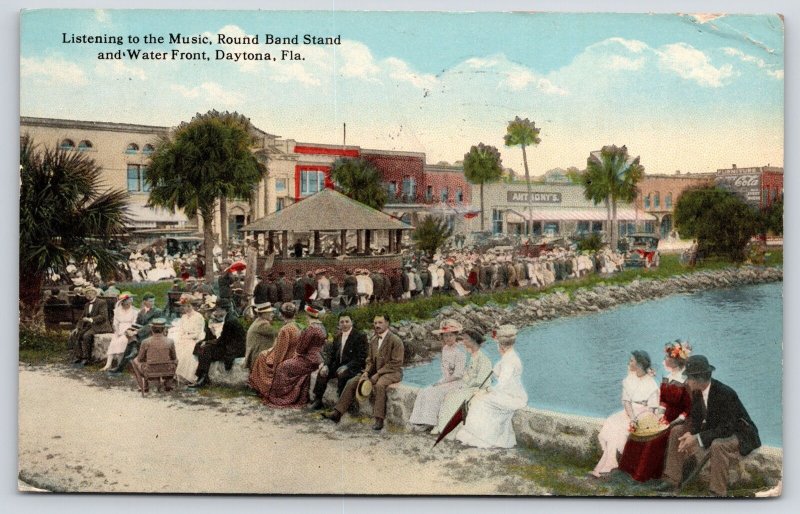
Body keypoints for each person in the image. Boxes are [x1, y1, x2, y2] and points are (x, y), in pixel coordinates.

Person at [653, 355, 761, 497]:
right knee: (677, 430)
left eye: (689, 378)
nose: (687, 381)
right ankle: (672, 480)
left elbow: (727, 428)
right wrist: (690, 433)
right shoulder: (697, 392)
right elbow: (697, 419)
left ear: (699, 379)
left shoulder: (725, 393)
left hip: (741, 433)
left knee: (718, 445)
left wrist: (697, 438)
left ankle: (717, 492)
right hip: (717, 429)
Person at [619, 340, 693, 482]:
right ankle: (627, 471)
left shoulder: (685, 380)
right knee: (640, 430)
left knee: (654, 439)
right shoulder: (668, 377)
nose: (664, 360)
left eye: (667, 358)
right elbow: (663, 400)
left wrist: (677, 420)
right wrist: (658, 415)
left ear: (675, 360)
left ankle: (642, 476)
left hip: (679, 420)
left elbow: (689, 407)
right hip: (664, 417)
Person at [324, 314, 404, 431]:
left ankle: (379, 419)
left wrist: (378, 373)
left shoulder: (396, 340)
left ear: (387, 323)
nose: (377, 325)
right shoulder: (374, 340)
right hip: (375, 371)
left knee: (380, 385)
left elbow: (396, 363)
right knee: (353, 381)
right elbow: (369, 360)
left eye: (380, 323)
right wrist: (366, 372)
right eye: (375, 323)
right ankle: (338, 413)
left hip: (392, 372)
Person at [455, 325, 527, 449]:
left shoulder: (509, 360)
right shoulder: (509, 356)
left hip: (512, 396)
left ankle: (483, 437)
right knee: (479, 399)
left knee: (480, 401)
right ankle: (480, 436)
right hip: (510, 393)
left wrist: (488, 391)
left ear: (501, 345)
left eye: (498, 344)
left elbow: (503, 384)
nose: (497, 346)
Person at [591, 350, 659, 478]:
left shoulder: (651, 383)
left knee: (621, 430)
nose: (629, 362)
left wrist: (638, 419)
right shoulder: (629, 379)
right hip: (630, 412)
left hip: (644, 414)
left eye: (632, 360)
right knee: (612, 423)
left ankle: (611, 467)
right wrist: (632, 417)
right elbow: (627, 402)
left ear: (639, 364)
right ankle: (609, 465)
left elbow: (652, 409)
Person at [432, 328, 493, 436]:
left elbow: (483, 379)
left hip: (479, 389)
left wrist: (466, 384)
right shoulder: (473, 354)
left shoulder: (483, 356)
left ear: (473, 340)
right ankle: (442, 426)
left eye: (465, 339)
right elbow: (468, 373)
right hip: (471, 386)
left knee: (454, 397)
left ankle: (446, 428)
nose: (463, 341)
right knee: (451, 395)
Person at [409, 319, 467, 430]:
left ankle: (429, 422)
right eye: (445, 336)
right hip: (446, 380)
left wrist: (442, 382)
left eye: (451, 335)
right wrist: (442, 381)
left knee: (434, 393)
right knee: (424, 391)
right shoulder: (445, 349)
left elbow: (458, 374)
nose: (448, 338)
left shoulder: (460, 352)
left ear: (456, 336)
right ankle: (418, 420)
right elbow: (445, 370)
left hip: (456, 382)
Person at [266, 306, 328, 408]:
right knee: (289, 365)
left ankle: (284, 397)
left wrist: (298, 352)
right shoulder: (322, 327)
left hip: (309, 360)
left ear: (308, 315)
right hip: (318, 358)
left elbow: (300, 349)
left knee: (282, 367)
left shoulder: (310, 329)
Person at [310, 313, 368, 409]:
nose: (344, 324)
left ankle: (342, 405)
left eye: (347, 321)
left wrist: (347, 366)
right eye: (342, 322)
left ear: (352, 322)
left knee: (342, 374)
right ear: (339, 324)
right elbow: (331, 354)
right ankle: (318, 399)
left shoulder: (359, 336)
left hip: (353, 367)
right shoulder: (338, 336)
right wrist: (326, 365)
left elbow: (361, 357)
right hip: (338, 365)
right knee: (322, 372)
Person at [248, 302, 302, 399]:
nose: (272, 314)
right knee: (262, 355)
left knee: (262, 357)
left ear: (281, 315)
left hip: (286, 357)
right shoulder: (297, 326)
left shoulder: (285, 329)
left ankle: (261, 387)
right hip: (294, 355)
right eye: (270, 312)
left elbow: (280, 352)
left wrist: (271, 357)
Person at [190, 302, 246, 388]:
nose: (216, 312)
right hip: (230, 345)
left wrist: (208, 343)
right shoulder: (229, 318)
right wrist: (208, 342)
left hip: (234, 349)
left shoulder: (229, 321)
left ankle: (203, 378)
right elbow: (223, 339)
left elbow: (223, 340)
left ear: (224, 310)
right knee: (205, 348)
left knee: (206, 350)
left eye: (218, 310)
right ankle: (202, 377)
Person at [108, 292, 163, 374]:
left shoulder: (157, 311)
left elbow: (151, 325)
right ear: (144, 302)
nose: (152, 303)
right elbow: (136, 324)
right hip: (140, 334)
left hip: (151, 333)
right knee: (128, 335)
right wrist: (130, 330)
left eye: (153, 301)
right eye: (150, 301)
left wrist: (136, 332)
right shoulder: (141, 312)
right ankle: (121, 366)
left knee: (131, 341)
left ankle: (121, 366)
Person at [130, 318, 178, 393]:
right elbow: (174, 358)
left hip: (150, 370)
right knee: (175, 360)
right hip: (167, 370)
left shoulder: (145, 342)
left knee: (135, 361)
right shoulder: (170, 341)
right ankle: (168, 383)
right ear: (164, 329)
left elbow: (140, 359)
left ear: (152, 329)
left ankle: (144, 386)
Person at [70, 286, 112, 367]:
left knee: (86, 335)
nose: (89, 295)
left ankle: (87, 358)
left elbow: (103, 316)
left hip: (101, 326)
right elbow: (82, 317)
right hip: (91, 326)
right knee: (77, 333)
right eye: (87, 294)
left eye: (90, 293)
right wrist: (77, 327)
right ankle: (79, 356)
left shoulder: (101, 302)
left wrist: (90, 319)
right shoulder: (87, 304)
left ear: (95, 293)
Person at [169, 294, 206, 384]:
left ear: (190, 306)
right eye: (183, 306)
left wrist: (186, 337)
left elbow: (197, 333)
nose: (185, 309)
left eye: (186, 306)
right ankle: (175, 374)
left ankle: (186, 376)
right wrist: (181, 336)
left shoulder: (198, 317)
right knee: (176, 346)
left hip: (195, 339)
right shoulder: (184, 317)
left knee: (188, 350)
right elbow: (181, 329)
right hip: (184, 338)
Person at [101, 292, 139, 371]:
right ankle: (108, 364)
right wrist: (117, 331)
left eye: (131, 299)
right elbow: (115, 323)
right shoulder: (117, 311)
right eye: (129, 299)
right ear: (123, 302)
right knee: (114, 342)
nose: (131, 301)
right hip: (119, 329)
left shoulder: (134, 311)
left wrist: (128, 331)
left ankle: (119, 364)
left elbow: (134, 324)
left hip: (129, 330)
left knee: (121, 341)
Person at [243, 302, 277, 370]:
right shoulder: (262, 324)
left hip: (255, 358)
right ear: (263, 314)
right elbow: (279, 334)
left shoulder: (258, 321)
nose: (272, 314)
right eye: (270, 313)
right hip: (259, 360)